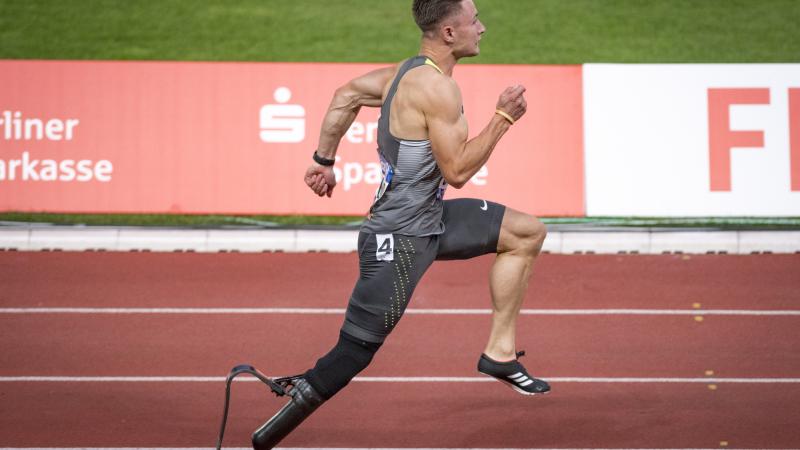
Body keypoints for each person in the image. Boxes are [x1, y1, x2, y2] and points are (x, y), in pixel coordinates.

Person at [252, 1, 548, 448]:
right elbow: (458, 172)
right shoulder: (436, 89)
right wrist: (503, 117)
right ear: (449, 33)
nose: (482, 28)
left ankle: (499, 353)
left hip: (430, 220)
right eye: (474, 22)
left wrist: (323, 160)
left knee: (527, 231)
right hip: (399, 237)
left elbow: (345, 95)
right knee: (354, 352)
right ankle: (278, 420)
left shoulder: (404, 72)